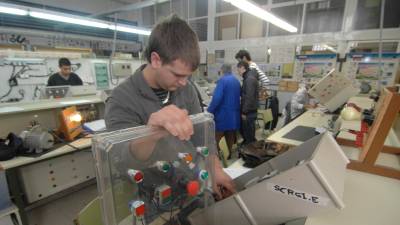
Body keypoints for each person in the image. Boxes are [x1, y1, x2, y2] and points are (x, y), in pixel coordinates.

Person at [104, 15, 234, 199]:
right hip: (155, 197)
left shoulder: (186, 89)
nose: (184, 83)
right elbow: (123, 162)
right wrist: (151, 132)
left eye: (188, 76)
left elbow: (202, 137)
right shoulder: (121, 99)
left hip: (192, 181)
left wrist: (215, 168)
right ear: (156, 60)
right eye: (178, 75)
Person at [207, 64, 241, 159]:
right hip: (234, 114)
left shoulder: (222, 81)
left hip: (223, 114)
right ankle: (228, 155)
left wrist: (209, 111)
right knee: (230, 135)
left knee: (218, 136)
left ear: (221, 71)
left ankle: (218, 156)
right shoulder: (236, 81)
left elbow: (217, 98)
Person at [237, 61, 259, 145]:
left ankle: (250, 152)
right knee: (249, 133)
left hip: (249, 112)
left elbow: (249, 97)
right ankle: (250, 147)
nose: (238, 71)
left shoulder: (249, 79)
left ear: (242, 68)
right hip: (251, 111)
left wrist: (244, 112)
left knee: (248, 134)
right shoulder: (250, 77)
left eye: (238, 69)